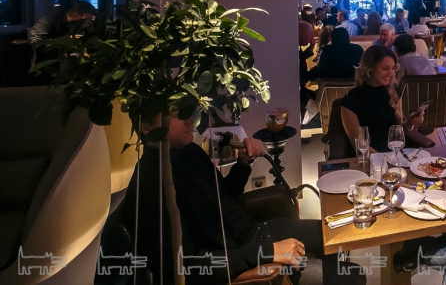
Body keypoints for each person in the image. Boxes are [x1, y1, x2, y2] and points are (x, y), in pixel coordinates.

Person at [116, 111, 365, 285]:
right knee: (350, 276)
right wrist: (267, 252)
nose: (188, 118)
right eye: (175, 114)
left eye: (186, 109)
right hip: (240, 255)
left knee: (335, 234)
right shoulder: (152, 184)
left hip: (256, 231)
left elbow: (222, 196)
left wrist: (243, 164)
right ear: (146, 127)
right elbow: (189, 265)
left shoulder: (188, 151)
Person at [340, 44, 425, 153]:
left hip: (394, 153)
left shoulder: (393, 91)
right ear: (370, 68)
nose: (391, 73)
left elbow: (399, 130)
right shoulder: (352, 100)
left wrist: (410, 122)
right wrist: (385, 159)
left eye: (393, 68)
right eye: (385, 68)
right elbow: (359, 146)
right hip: (370, 158)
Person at [30, 0, 96, 41]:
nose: (89, 22)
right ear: (75, 15)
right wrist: (63, 41)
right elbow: (36, 42)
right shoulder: (48, 21)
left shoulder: (85, 26)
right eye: (87, 19)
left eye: (91, 19)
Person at [298, 21, 316, 115]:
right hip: (297, 90)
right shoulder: (292, 48)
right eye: (311, 34)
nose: (312, 37)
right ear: (303, 34)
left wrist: (309, 49)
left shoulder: (296, 46)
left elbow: (300, 57)